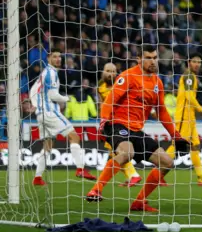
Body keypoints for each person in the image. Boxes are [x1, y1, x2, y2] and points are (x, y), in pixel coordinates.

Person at [86, 45, 181, 213]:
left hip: (136, 130)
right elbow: (110, 101)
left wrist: (176, 135)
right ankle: (96, 189)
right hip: (118, 124)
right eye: (148, 58)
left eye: (154, 57)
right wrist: (103, 123)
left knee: (167, 162)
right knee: (126, 153)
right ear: (139, 59)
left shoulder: (157, 82)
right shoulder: (128, 76)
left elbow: (162, 111)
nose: (153, 61)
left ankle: (139, 202)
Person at [30, 51, 96, 186]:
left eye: (59, 56)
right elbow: (53, 95)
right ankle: (81, 169)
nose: (58, 59)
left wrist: (36, 105)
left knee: (47, 145)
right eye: (54, 56)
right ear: (48, 58)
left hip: (41, 114)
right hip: (49, 112)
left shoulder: (44, 74)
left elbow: (33, 91)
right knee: (74, 136)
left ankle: (37, 178)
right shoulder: (51, 73)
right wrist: (67, 98)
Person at [165, 53, 202, 186]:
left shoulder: (192, 77)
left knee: (195, 146)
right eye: (194, 61)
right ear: (189, 62)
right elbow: (188, 97)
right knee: (176, 146)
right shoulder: (189, 76)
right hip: (183, 116)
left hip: (190, 117)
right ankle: (157, 173)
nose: (197, 64)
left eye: (199, 62)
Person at [97, 62, 141, 187]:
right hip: (107, 123)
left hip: (119, 123)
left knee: (117, 152)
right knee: (114, 153)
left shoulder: (121, 84)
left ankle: (133, 175)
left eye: (113, 71)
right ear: (103, 72)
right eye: (108, 71)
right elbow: (102, 104)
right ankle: (130, 177)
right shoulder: (100, 86)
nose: (111, 74)